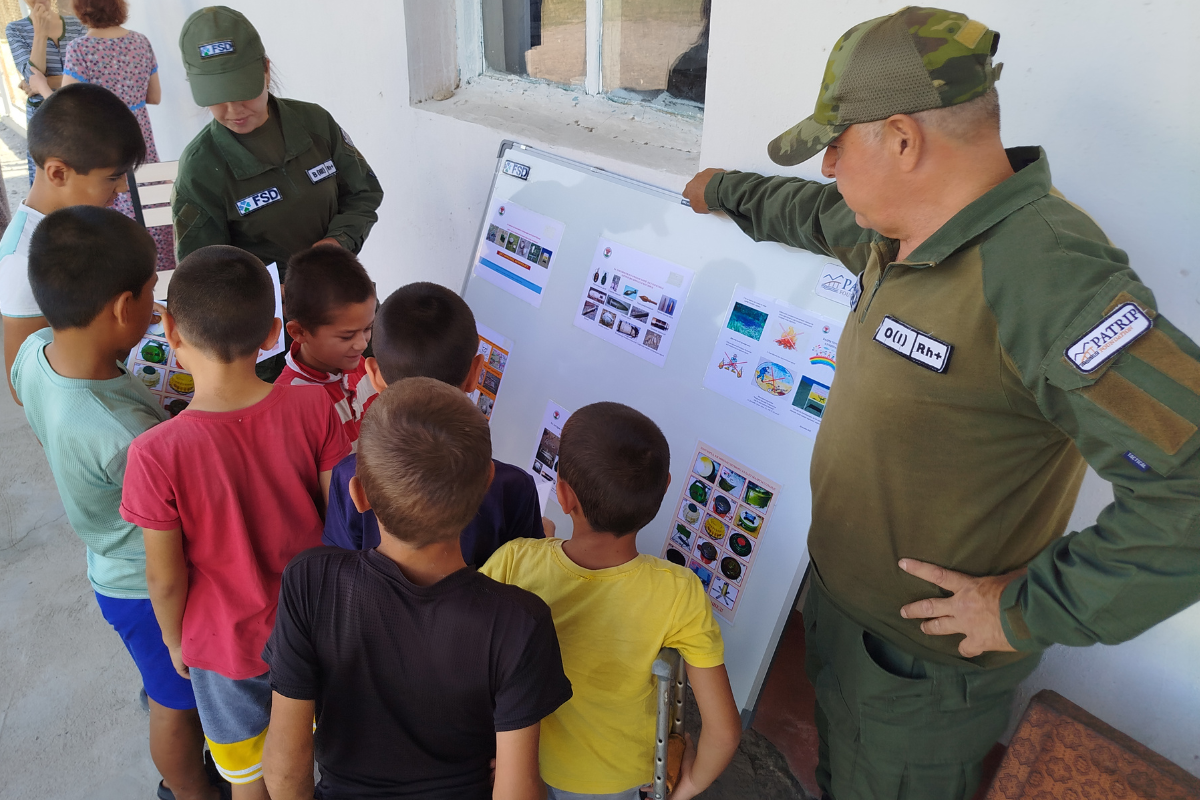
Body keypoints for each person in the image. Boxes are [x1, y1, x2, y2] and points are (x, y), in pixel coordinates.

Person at [682, 7, 1200, 799]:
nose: (828, 165)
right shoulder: (898, 228)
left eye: (837, 142)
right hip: (841, 617)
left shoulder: (1046, 275)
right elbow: (810, 213)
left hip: (919, 678)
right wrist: (720, 190)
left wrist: (1024, 610)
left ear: (902, 139)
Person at [262, 378, 573, 800]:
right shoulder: (520, 621)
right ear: (487, 483)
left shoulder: (309, 581)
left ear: (359, 495)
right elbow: (517, 791)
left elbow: (285, 768)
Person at [120, 245, 352, 799]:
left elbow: (164, 577)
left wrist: (174, 640)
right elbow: (341, 526)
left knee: (247, 780)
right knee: (312, 760)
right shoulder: (313, 408)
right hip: (311, 631)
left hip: (221, 647)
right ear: (273, 333)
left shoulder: (154, 453)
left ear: (170, 332)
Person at [11, 207, 221, 800]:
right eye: (154, 293)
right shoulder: (124, 435)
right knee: (175, 703)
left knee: (169, 687)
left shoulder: (34, 352)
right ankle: (189, 790)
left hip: (109, 561)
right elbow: (187, 510)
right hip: (146, 582)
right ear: (124, 308)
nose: (158, 308)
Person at [480, 402, 743, 800]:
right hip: (615, 781)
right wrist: (686, 788)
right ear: (665, 489)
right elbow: (724, 732)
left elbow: (460, 659)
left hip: (519, 764)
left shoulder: (513, 560)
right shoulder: (680, 591)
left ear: (563, 494)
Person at [172, 6, 384, 380]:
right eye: (218, 98)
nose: (234, 110)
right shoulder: (201, 168)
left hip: (346, 308)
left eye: (244, 92)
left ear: (266, 70)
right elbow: (201, 275)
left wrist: (337, 243)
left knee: (377, 395)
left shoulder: (314, 123)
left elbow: (364, 193)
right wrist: (269, 295)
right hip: (272, 337)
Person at [323, 282, 546, 564]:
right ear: (475, 372)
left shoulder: (349, 475)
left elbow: (341, 566)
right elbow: (524, 576)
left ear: (374, 375)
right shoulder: (514, 488)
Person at [0, 82, 146, 404]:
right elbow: (23, 385)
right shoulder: (21, 262)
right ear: (58, 173)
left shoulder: (83, 217)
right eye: (113, 177)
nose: (123, 188)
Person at [61, 0, 174, 271]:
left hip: (104, 145)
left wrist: (41, 86)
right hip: (141, 143)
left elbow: (67, 108)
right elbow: (154, 96)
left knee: (113, 216)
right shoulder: (141, 42)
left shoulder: (80, 48)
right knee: (151, 210)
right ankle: (162, 279)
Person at [275, 244, 377, 449]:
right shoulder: (289, 402)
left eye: (368, 328)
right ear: (299, 332)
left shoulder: (362, 366)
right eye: (347, 336)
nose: (362, 344)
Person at [5, 0, 86, 183]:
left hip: (78, 111)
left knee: (79, 174)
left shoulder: (77, 25)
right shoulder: (15, 29)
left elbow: (87, 75)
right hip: (42, 116)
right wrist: (40, 33)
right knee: (48, 179)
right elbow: (33, 74)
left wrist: (44, 82)